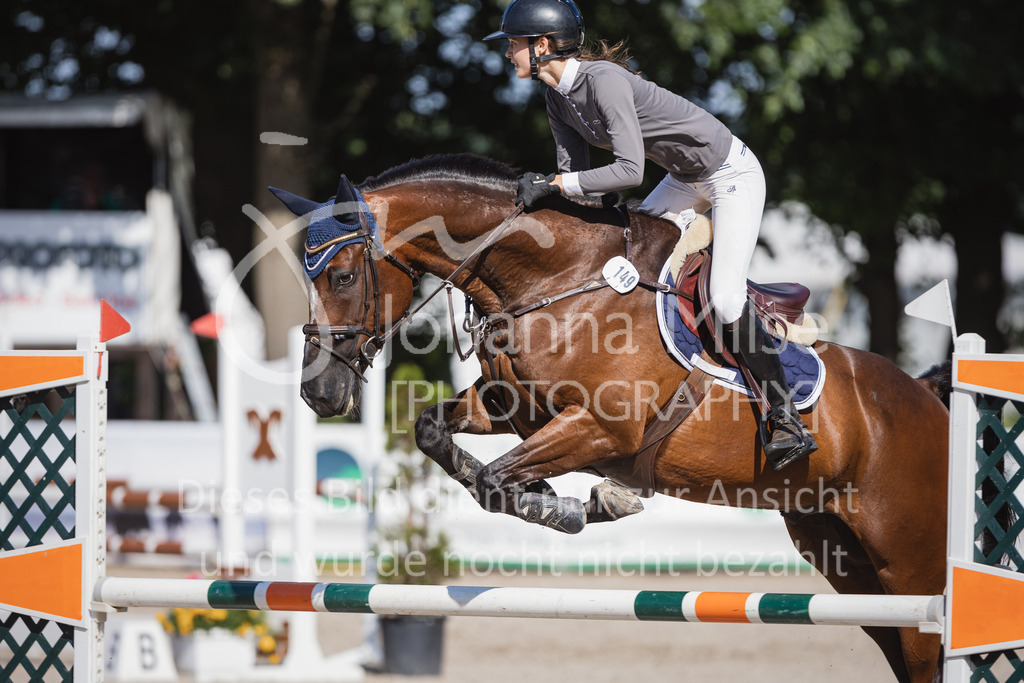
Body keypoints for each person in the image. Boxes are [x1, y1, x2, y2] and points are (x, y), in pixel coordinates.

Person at [484, 0, 817, 470]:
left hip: (730, 174)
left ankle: (784, 417)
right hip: (683, 178)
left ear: (542, 46)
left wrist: (556, 185)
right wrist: (540, 205)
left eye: (513, 44)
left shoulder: (604, 80)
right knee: (626, 257)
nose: (508, 53)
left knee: (724, 299)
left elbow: (628, 171)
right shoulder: (556, 97)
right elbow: (579, 183)